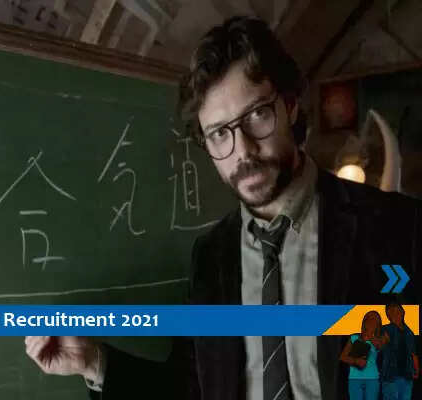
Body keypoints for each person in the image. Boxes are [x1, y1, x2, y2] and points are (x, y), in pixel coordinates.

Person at [25, 16, 421, 400]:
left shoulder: (399, 228)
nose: (243, 151)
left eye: (257, 115)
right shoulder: (211, 258)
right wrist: (95, 363)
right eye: (219, 134)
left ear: (290, 105)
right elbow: (190, 389)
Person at [340, 311, 386, 400]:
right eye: (369, 319)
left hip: (372, 378)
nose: (371, 322)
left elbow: (379, 347)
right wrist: (355, 361)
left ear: (378, 324)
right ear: (364, 321)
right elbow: (342, 357)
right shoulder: (353, 338)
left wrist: (370, 334)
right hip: (354, 378)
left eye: (374, 320)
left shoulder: (380, 339)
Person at [381, 303, 419, 400]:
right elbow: (381, 342)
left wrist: (416, 369)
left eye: (397, 311)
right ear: (388, 316)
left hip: (407, 376)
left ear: (403, 312)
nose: (395, 314)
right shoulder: (386, 329)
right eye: (391, 312)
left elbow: (413, 353)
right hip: (391, 376)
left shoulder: (409, 332)